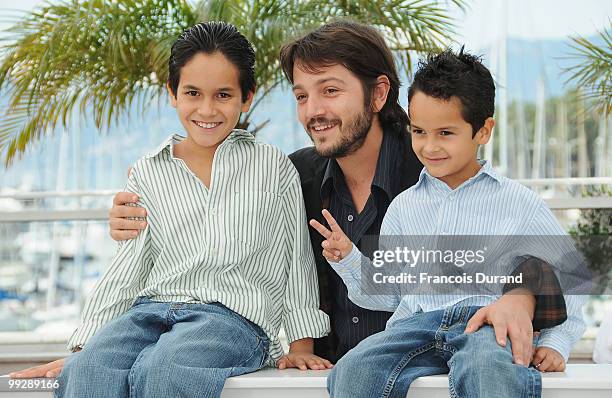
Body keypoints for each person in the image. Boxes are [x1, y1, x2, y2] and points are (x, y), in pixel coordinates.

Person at [107, 20, 566, 365]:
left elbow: (524, 258)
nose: (314, 111)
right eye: (302, 95)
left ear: (378, 92)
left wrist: (520, 297)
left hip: (428, 376)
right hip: (322, 378)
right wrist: (141, 206)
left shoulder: (433, 171)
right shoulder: (294, 176)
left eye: (330, 90)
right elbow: (229, 252)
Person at [10, 21, 331, 397]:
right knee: (88, 371)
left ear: (247, 97)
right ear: (172, 93)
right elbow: (128, 265)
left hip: (232, 320)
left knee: (163, 368)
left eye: (223, 95)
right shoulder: (148, 171)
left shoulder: (272, 166)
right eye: (192, 92)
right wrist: (87, 348)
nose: (206, 109)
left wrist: (300, 346)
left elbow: (294, 256)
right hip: (148, 311)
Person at [310, 48, 586, 398]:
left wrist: (557, 343)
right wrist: (349, 257)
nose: (429, 146)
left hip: (484, 325)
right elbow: (390, 293)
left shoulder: (519, 203)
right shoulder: (405, 207)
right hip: (414, 326)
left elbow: (572, 278)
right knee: (354, 371)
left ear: (483, 131)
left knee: (488, 373)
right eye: (419, 131)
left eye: (445, 133)